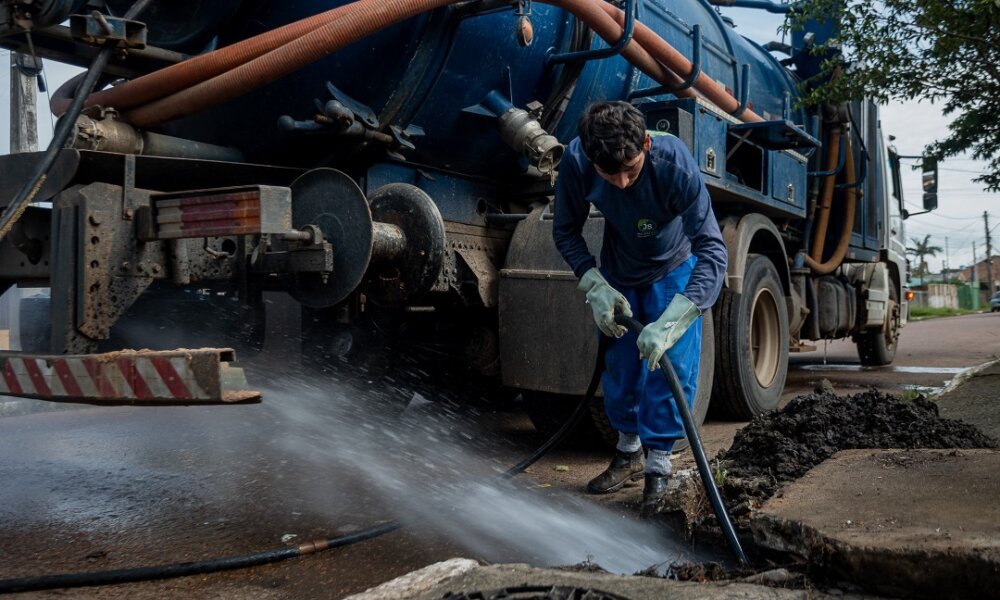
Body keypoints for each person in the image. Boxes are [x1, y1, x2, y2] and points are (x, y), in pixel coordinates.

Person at [552, 101, 727, 517]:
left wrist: (677, 317)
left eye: (631, 168)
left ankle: (658, 465)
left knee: (666, 369)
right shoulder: (577, 160)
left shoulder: (674, 165)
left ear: (646, 144)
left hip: (673, 269)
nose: (623, 182)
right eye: (609, 175)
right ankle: (629, 452)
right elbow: (565, 230)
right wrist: (593, 282)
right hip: (618, 271)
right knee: (622, 368)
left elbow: (713, 250)